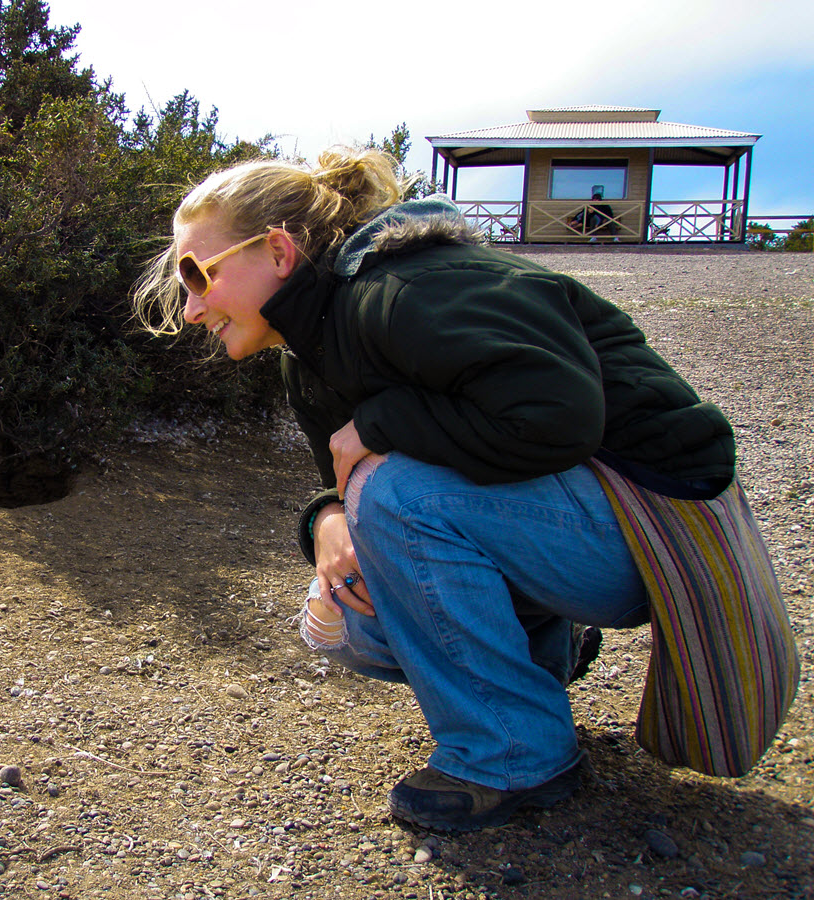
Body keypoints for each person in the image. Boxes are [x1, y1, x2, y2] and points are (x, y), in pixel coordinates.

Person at [131, 147, 738, 832]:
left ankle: (514, 753)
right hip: (577, 524)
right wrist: (327, 521)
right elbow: (338, 473)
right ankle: (542, 660)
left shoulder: (408, 290)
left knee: (395, 496)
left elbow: (558, 416)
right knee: (349, 622)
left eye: (196, 275)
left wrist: (380, 430)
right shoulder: (310, 354)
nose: (190, 309)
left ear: (277, 251)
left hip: (666, 529)